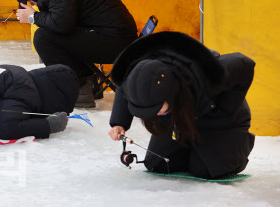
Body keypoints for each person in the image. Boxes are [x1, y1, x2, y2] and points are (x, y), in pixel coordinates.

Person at [107, 31, 255, 179]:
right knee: (158, 164)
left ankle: (235, 146)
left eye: (155, 108)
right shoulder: (137, 77)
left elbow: (244, 63)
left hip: (218, 120)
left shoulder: (205, 77)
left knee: (206, 170)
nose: (152, 114)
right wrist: (119, 123)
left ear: (169, 93)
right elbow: (126, 89)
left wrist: (227, 107)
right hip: (181, 118)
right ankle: (193, 146)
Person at [9, 0, 138, 108]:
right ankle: (89, 84)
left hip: (116, 42)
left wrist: (34, 17)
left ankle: (78, 89)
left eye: (30, 0)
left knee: (43, 38)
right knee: (53, 35)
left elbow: (61, 24)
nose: (32, 4)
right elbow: (65, 21)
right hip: (116, 37)